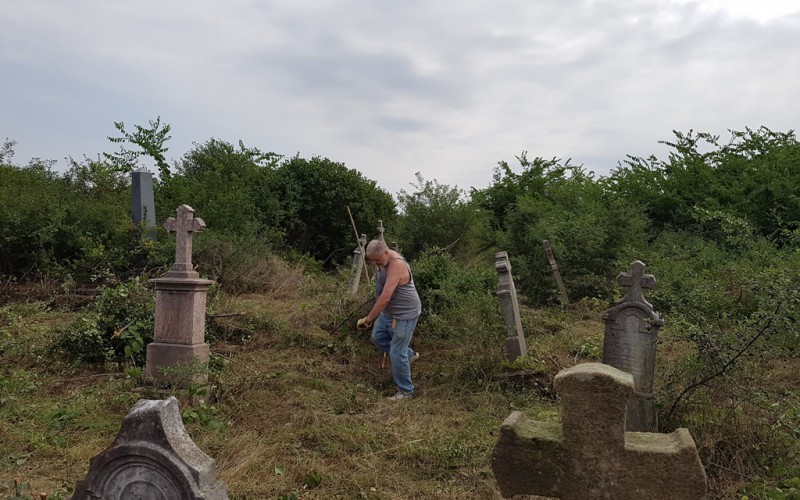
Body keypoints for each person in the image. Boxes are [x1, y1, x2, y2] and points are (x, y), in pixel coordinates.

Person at [357, 239, 422, 400]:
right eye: (371, 260)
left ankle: (406, 391)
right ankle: (408, 355)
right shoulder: (382, 262)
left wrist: (369, 319)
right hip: (387, 314)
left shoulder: (397, 265)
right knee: (377, 338)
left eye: (377, 260)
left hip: (404, 315)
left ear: (386, 252)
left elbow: (386, 297)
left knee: (396, 352)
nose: (374, 263)